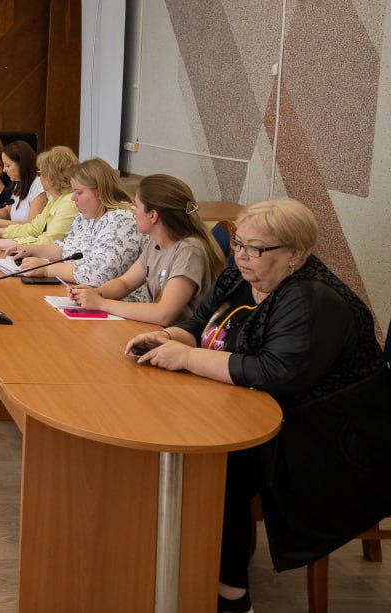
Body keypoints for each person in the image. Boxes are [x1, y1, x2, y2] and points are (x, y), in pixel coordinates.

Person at [125, 198, 391, 613]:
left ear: (295, 255)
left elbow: (276, 374)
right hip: (253, 407)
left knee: (218, 464)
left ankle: (231, 593)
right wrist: (171, 339)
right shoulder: (242, 272)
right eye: (239, 244)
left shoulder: (310, 299)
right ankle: (177, 559)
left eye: (256, 249)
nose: (242, 256)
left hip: (329, 438)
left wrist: (190, 358)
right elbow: (198, 324)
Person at [68, 174, 222, 324]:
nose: (133, 210)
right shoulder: (155, 245)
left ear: (153, 216)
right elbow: (125, 283)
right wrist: (95, 293)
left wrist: (101, 304)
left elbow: (164, 314)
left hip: (182, 342)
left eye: (137, 205)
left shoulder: (189, 250)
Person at [8, 158, 148, 288]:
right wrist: (31, 250)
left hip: (119, 305)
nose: (73, 198)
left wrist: (46, 269)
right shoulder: (86, 216)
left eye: (79, 192)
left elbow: (100, 274)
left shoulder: (121, 220)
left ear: (99, 191)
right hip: (84, 293)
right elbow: (67, 250)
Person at [0, 146, 78, 248]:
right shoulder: (55, 199)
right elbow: (32, 229)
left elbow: (48, 242)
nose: (40, 177)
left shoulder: (69, 202)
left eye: (42, 173)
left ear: (54, 177)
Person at [0, 140, 46, 227]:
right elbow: (7, 211)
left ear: (22, 165)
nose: (4, 170)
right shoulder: (19, 183)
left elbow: (32, 226)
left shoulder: (39, 186)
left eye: (8, 165)